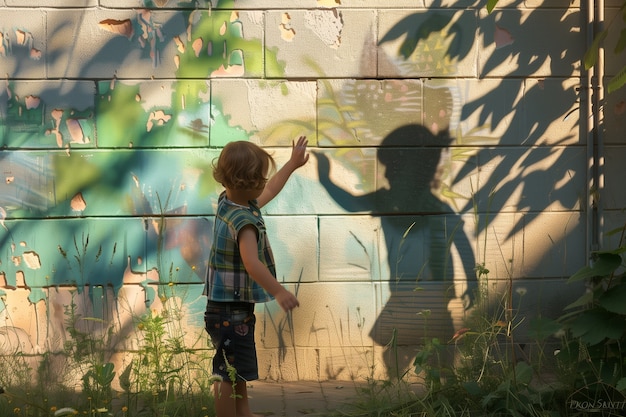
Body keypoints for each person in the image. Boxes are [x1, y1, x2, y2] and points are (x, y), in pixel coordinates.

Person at [204, 136, 309, 417]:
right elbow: (252, 263)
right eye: (261, 177)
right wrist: (279, 291)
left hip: (226, 306)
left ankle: (244, 412)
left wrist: (291, 164)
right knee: (227, 372)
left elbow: (272, 189)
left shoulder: (230, 202)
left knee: (235, 366)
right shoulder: (244, 222)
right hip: (230, 311)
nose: (265, 181)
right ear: (247, 182)